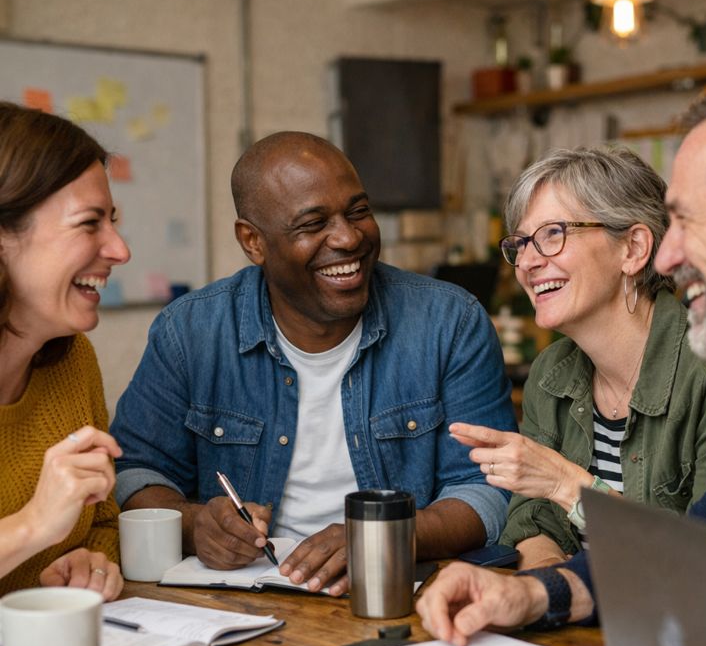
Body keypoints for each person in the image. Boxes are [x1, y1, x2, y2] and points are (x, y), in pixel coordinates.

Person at [417, 76, 706, 646]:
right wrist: (534, 596)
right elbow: (691, 554)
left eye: (689, 221)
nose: (671, 256)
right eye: (520, 243)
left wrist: (567, 485)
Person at [111, 131, 517, 595]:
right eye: (312, 224)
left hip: (399, 595)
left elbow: (488, 489)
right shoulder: (191, 332)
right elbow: (136, 473)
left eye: (359, 212)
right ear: (253, 242)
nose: (348, 237)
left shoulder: (450, 322)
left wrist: (383, 537)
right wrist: (196, 523)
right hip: (236, 604)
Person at [448, 145, 706, 569]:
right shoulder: (550, 372)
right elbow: (530, 519)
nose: (526, 261)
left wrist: (567, 484)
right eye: (521, 242)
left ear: (632, 248)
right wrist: (547, 591)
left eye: (553, 234)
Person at [0, 102, 129, 600]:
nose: (120, 250)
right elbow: (46, 522)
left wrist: (91, 563)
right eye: (89, 223)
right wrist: (33, 525)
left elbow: (102, 524)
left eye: (112, 222)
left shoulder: (72, 360)